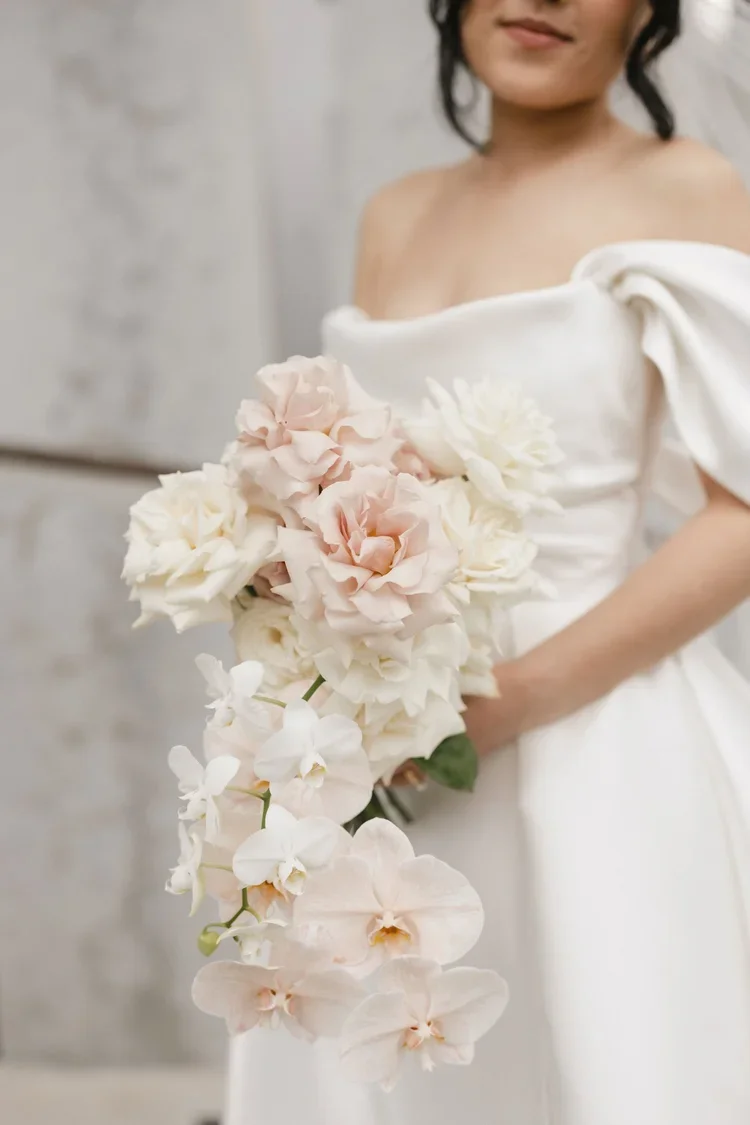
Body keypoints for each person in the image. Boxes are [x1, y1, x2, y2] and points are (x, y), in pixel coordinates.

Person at [227, 1, 750, 1121]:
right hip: (380, 733)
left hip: (594, 733)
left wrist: (506, 703)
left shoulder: (690, 189)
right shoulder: (396, 211)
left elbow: (744, 512)